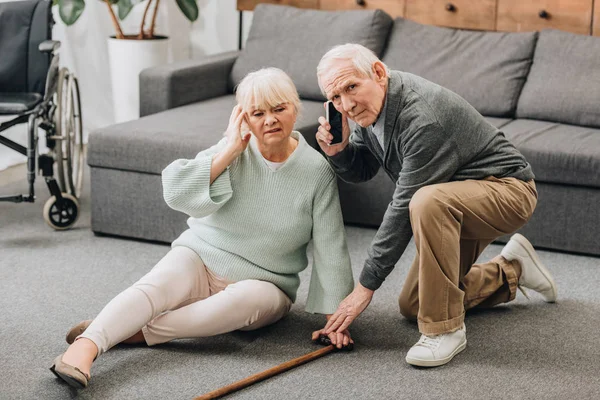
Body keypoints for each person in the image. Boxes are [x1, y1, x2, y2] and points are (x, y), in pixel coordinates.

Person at [50, 67, 354, 389]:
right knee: (156, 286)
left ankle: (134, 331)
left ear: (296, 108)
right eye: (258, 113)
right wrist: (229, 150)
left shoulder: (316, 171)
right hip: (202, 255)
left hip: (266, 283)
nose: (270, 120)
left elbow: (330, 245)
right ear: (242, 118)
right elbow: (175, 191)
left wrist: (336, 319)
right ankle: (85, 347)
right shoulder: (232, 151)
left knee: (244, 303)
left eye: (279, 109)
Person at [315, 44, 558, 367]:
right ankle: (512, 270)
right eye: (335, 98)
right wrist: (340, 150)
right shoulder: (369, 107)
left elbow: (403, 208)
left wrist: (364, 288)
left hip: (508, 191)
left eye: (351, 88)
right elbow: (364, 170)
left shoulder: (422, 118)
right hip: (456, 198)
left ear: (378, 72)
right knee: (414, 303)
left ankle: (446, 331)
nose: (346, 105)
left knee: (425, 200)